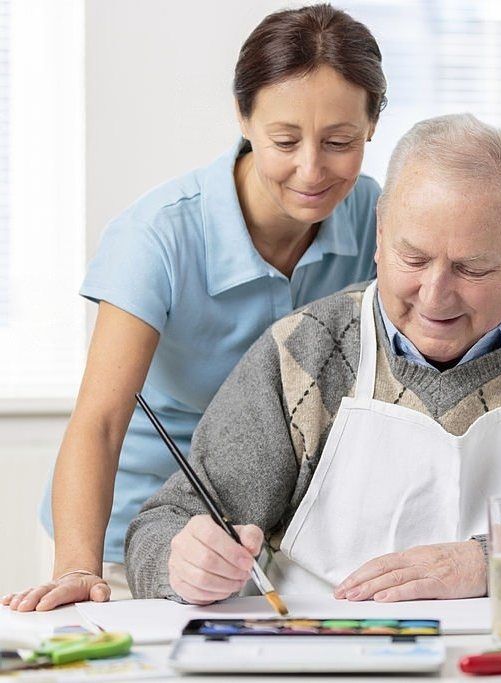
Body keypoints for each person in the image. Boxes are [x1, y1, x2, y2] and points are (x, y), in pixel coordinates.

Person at [125, 114, 501, 603]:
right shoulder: (301, 354)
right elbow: (161, 528)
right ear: (379, 234)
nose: (435, 295)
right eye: (413, 258)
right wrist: (186, 562)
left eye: (472, 268)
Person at [1, 4, 387, 612]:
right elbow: (100, 423)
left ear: (371, 128)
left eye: (339, 142)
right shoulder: (157, 236)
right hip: (131, 538)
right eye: (285, 140)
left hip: (271, 536)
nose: (312, 170)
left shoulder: (376, 219)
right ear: (243, 117)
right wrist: (79, 565)